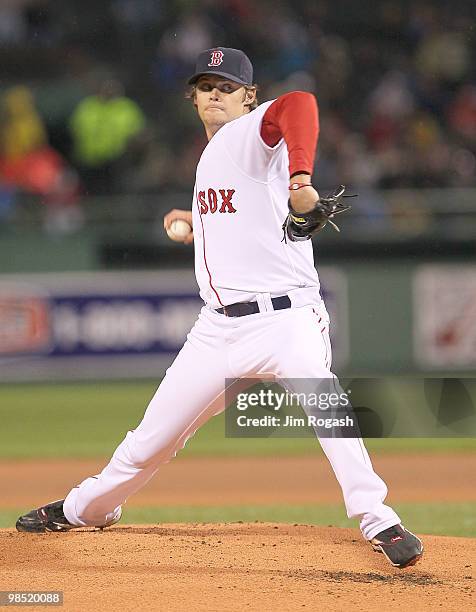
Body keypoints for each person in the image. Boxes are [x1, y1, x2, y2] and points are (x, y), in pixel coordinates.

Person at [16, 48, 423, 569]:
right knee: (148, 441)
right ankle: (86, 508)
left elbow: (298, 102)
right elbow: (247, 211)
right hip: (216, 331)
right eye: (205, 84)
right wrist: (195, 219)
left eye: (226, 85)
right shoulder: (217, 156)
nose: (214, 92)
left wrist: (301, 180)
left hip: (285, 321)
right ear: (192, 97)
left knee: (326, 403)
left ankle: (377, 517)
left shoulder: (251, 132)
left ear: (249, 97)